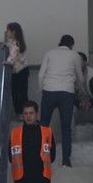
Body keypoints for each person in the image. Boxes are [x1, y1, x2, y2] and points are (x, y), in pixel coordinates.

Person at [37, 35, 84, 167]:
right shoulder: (74, 55)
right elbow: (80, 77)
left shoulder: (49, 53)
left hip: (49, 91)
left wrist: (42, 90)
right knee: (66, 128)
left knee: (44, 125)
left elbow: (40, 75)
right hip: (67, 93)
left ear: (59, 43)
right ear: (72, 45)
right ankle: (66, 160)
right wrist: (80, 91)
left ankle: (42, 158)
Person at [10, 100, 55, 183]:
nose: (28, 116)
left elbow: (52, 156)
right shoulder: (15, 132)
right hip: (22, 179)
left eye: (31, 113)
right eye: (26, 113)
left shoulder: (47, 132)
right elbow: (11, 155)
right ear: (22, 115)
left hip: (42, 179)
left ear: (36, 114)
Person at [4, 23, 29, 115]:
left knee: (21, 93)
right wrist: (6, 45)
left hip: (22, 71)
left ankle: (23, 112)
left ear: (13, 32)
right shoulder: (14, 42)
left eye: (8, 30)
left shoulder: (17, 44)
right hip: (17, 71)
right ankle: (18, 112)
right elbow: (10, 45)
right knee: (15, 92)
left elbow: (13, 56)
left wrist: (7, 61)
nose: (7, 32)